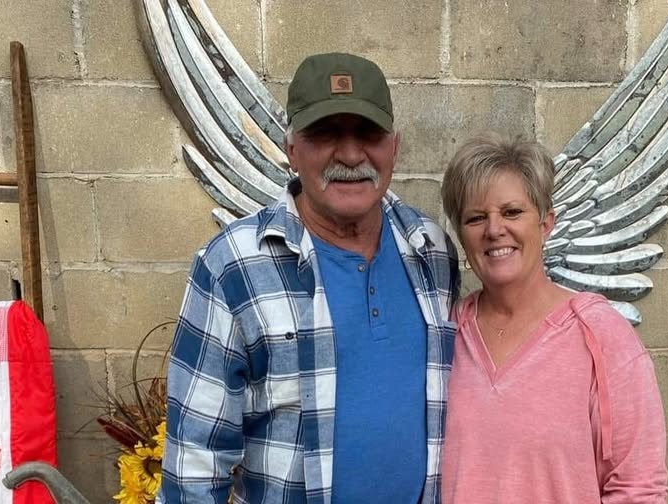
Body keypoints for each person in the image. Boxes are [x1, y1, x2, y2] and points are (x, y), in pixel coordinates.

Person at [158, 52, 459, 504]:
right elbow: (195, 463)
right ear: (292, 148)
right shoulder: (233, 266)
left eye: (369, 134)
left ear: (394, 146)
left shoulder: (430, 250)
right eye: (326, 133)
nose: (351, 155)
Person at [439, 132, 668, 503]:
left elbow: (638, 488)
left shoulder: (602, 337)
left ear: (545, 224)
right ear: (462, 237)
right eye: (476, 218)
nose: (494, 230)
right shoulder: (445, 335)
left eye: (512, 212)